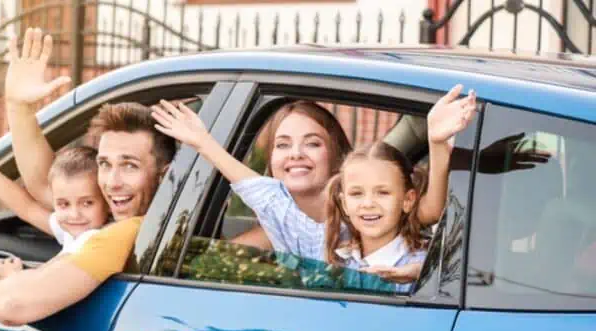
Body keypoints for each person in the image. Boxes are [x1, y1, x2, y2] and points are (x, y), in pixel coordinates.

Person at [151, 85, 477, 285]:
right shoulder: (321, 247)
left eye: (312, 143)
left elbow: (432, 209)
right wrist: (203, 143)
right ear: (343, 200)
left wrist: (436, 144)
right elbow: (267, 198)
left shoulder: (428, 258)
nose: (368, 203)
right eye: (357, 193)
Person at [0, 28, 177, 325]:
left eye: (129, 166)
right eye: (104, 164)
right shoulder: (114, 216)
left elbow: (11, 305)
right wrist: (17, 106)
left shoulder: (121, 233)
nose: (112, 182)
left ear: (163, 175)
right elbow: (41, 185)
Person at [0, 121, 109, 256]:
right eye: (63, 204)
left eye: (87, 203)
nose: (74, 215)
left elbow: (50, 275)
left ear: (107, 202)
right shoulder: (73, 232)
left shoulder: (92, 239)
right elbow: (27, 208)